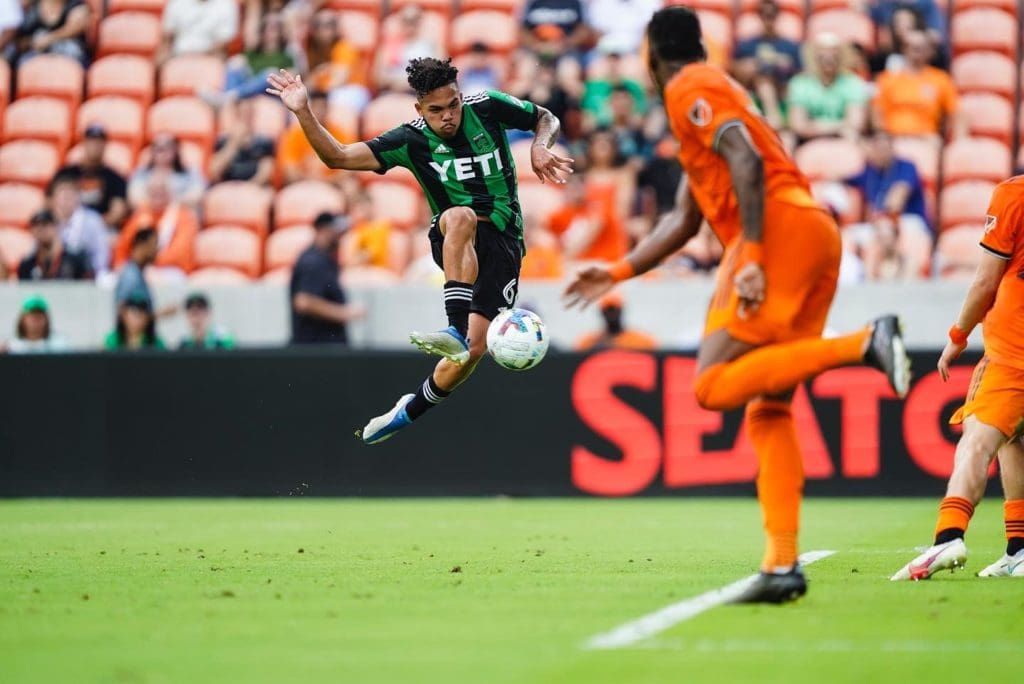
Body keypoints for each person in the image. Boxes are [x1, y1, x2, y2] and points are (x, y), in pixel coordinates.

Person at [564, 7, 910, 603]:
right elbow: (683, 217)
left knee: (711, 385)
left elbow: (746, 160)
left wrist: (748, 254)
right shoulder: (712, 95)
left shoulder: (689, 86)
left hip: (774, 236)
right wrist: (619, 270)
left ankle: (864, 343)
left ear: (652, 54)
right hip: (809, 235)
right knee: (768, 408)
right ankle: (781, 565)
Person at [266, 57, 571, 443]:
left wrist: (540, 147)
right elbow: (337, 157)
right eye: (436, 110)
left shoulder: (488, 106)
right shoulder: (410, 140)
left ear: (461, 96)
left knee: (473, 352)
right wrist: (304, 111)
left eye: (453, 104)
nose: (448, 116)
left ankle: (407, 411)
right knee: (459, 215)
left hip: (504, 241)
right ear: (419, 110)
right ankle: (454, 325)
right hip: (453, 233)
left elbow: (545, 116)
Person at [891, 176, 1024, 580]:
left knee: (977, 440)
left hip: (1013, 355)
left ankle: (948, 536)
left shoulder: (1013, 194)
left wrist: (957, 335)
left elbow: (986, 280)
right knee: (1014, 441)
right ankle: (1019, 550)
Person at [843, 128, 933, 280]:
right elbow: (844, 179)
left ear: (892, 148)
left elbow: (896, 201)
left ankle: (902, 273)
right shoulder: (870, 171)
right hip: (880, 222)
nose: (881, 153)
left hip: (909, 221)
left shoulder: (906, 166)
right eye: (877, 149)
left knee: (885, 228)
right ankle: (861, 279)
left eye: (885, 148)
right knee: (849, 235)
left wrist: (879, 218)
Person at [872, 30, 965, 141]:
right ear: (904, 49)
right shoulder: (887, 79)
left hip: (927, 137)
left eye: (921, 48)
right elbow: (876, 111)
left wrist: (958, 140)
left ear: (930, 51)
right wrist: (882, 135)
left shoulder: (941, 79)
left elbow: (955, 111)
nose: (916, 52)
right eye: (911, 47)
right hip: (893, 137)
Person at [289, 212, 365, 345]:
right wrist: (344, 313)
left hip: (325, 351)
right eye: (337, 231)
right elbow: (303, 302)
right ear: (324, 230)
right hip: (316, 352)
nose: (340, 237)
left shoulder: (325, 260)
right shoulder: (312, 261)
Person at [787, 33, 868, 142]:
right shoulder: (800, 83)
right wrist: (839, 126)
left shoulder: (854, 83)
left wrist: (815, 126)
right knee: (787, 140)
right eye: (823, 53)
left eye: (833, 52)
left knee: (853, 136)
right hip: (807, 139)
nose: (828, 57)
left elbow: (856, 123)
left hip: (843, 138)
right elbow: (797, 125)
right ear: (814, 56)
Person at [115, 170, 199, 276]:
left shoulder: (183, 216)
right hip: (141, 268)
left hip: (171, 270)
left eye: (162, 189)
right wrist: (121, 263)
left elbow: (181, 253)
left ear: (170, 192)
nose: (157, 193)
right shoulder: (141, 215)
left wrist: (149, 262)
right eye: (154, 190)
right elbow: (123, 245)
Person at [57, 125, 129, 230]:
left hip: (101, 229)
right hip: (66, 225)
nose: (95, 146)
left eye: (99, 142)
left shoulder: (115, 178)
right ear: (83, 143)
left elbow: (117, 212)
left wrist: (90, 225)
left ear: (105, 145)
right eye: (91, 141)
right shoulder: (66, 173)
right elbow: (50, 202)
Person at [277, 89, 354, 185]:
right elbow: (290, 170)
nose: (319, 111)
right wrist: (310, 180)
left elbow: (348, 169)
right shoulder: (294, 134)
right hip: (301, 185)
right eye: (316, 107)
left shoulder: (340, 133)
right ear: (309, 108)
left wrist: (326, 181)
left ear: (328, 109)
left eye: (322, 107)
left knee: (350, 186)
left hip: (333, 185)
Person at [48, 171, 109, 276]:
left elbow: (101, 255)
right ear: (54, 199)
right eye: (62, 196)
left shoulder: (93, 221)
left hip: (87, 276)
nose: (66, 200)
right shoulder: (48, 222)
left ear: (78, 197)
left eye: (70, 195)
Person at [128, 134, 206, 208]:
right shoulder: (141, 173)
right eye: (158, 147)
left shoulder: (191, 172)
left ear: (176, 149)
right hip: (149, 215)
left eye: (168, 146)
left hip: (180, 215)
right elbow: (135, 198)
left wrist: (169, 204)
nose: (162, 150)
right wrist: (156, 205)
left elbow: (197, 195)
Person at [209, 99, 276, 185]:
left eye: (249, 114)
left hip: (254, 187)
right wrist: (234, 143)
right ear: (236, 114)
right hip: (227, 186)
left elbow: (266, 171)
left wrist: (250, 187)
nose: (246, 118)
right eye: (242, 114)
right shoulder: (223, 140)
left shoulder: (263, 142)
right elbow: (215, 172)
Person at [17, 208, 92, 281]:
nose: (41, 229)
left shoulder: (75, 258)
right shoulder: (27, 264)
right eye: (36, 225)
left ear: (56, 226)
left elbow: (87, 287)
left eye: (46, 224)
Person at [10, 0, 90, 66]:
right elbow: (19, 41)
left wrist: (48, 39)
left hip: (69, 58)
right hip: (34, 57)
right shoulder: (32, 9)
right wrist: (33, 42)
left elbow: (75, 28)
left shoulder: (76, 5)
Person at [159, 0, 238, 64]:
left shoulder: (226, 4)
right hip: (177, 55)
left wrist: (197, 55)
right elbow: (167, 37)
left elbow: (223, 41)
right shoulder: (176, 3)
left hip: (211, 56)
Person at [574, 292, 657, 350]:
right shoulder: (588, 342)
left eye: (614, 309)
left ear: (621, 310)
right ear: (601, 313)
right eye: (607, 310)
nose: (611, 314)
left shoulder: (642, 341)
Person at [4, 295, 68, 353]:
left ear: (46, 319)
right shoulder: (11, 345)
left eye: (40, 315)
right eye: (32, 315)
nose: (36, 319)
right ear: (23, 319)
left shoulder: (60, 345)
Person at [114, 227, 158, 310]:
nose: (156, 250)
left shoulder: (138, 273)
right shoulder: (130, 276)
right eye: (154, 245)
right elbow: (123, 311)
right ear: (142, 245)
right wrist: (158, 315)